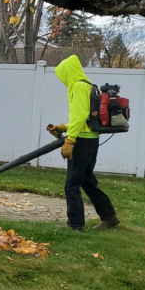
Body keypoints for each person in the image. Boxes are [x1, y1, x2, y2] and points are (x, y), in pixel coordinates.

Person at [51, 55, 120, 231]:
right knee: (87, 181)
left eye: (62, 75)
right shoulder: (89, 86)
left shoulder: (79, 86)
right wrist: (63, 127)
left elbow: (80, 116)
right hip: (90, 139)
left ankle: (75, 224)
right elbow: (85, 119)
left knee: (72, 184)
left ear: (67, 72)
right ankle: (109, 217)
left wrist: (70, 139)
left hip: (82, 142)